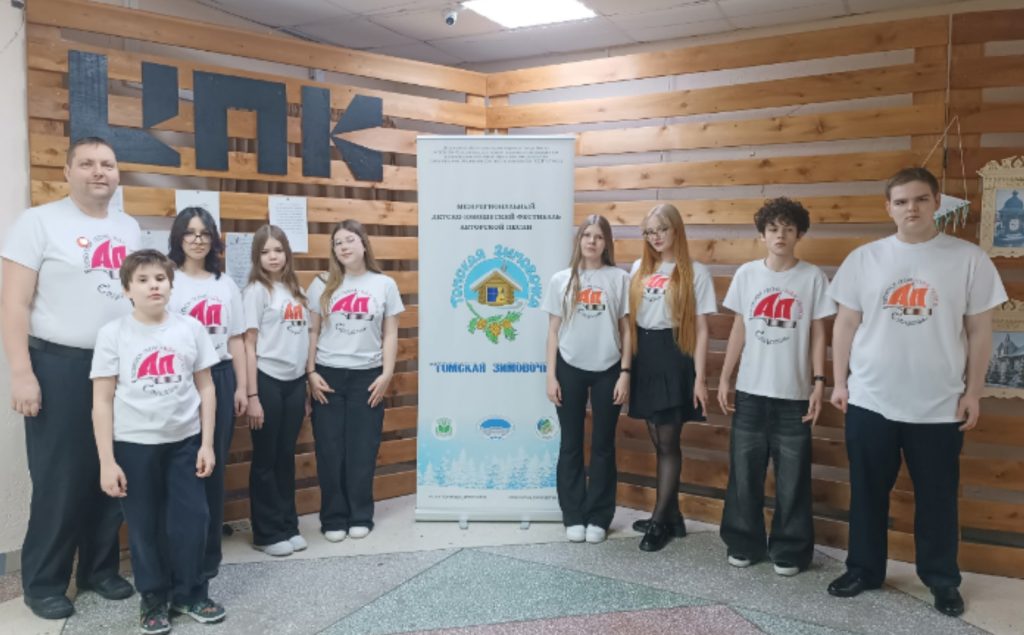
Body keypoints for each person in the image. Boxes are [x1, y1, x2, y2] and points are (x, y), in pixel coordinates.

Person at [826, 168, 1006, 617]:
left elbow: (980, 332)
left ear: (937, 203)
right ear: (888, 207)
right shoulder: (864, 259)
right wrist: (840, 382)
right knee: (867, 493)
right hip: (871, 400)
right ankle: (863, 570)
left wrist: (974, 392)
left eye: (921, 199)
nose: (912, 208)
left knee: (938, 499)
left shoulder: (968, 259)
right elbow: (845, 324)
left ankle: (942, 580)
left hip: (940, 406)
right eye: (902, 201)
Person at [1, 136, 138, 619]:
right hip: (58, 366)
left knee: (111, 469)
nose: (99, 171)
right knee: (59, 477)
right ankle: (44, 582)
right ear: (67, 172)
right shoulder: (38, 222)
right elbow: (13, 303)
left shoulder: (128, 227)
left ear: (117, 174)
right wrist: (22, 373)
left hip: (117, 369)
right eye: (87, 164)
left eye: (107, 164)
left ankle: (99, 570)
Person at [91, 249, 225, 633]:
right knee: (144, 526)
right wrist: (107, 461)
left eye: (160, 279)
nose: (154, 286)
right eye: (144, 280)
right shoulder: (113, 334)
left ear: (170, 284)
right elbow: (102, 400)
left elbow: (207, 388)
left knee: (194, 520)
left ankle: (191, 593)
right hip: (134, 446)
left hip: (185, 442)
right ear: (127, 289)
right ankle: (153, 598)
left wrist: (207, 444)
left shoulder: (190, 329)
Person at [717, 197, 835, 576]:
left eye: (788, 229)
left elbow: (819, 333)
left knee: (793, 479)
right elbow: (739, 328)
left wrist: (819, 382)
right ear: (762, 235)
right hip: (750, 392)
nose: (780, 235)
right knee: (743, 475)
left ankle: (791, 549)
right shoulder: (747, 274)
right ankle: (743, 542)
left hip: (794, 395)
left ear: (799, 234)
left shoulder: (813, 278)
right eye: (773, 229)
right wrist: (725, 376)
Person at [166, 207, 247, 599]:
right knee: (181, 466)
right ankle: (178, 555)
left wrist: (243, 388)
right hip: (178, 380)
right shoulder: (167, 279)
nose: (197, 239)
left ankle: (208, 555)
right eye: (190, 232)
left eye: (204, 233)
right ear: (178, 237)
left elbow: (236, 339)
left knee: (213, 466)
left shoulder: (225, 284)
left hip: (220, 375)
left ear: (214, 239)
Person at [306, 220, 404, 542]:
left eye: (350, 240)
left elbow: (391, 334)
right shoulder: (321, 283)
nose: (344, 247)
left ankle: (361, 515)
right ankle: (333, 517)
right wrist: (311, 373)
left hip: (368, 377)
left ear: (363, 244)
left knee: (363, 450)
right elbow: (312, 331)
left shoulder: (384, 284)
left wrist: (386, 373)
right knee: (329, 451)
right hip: (328, 375)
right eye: (338, 243)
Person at [628, 203, 717, 552]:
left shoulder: (696, 271)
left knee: (668, 442)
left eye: (661, 229)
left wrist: (699, 377)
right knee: (657, 438)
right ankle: (673, 515)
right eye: (649, 231)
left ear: (676, 229)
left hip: (674, 354)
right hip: (645, 355)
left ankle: (658, 521)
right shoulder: (639, 268)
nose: (655, 237)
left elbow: (703, 329)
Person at [543, 215, 631, 544]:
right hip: (569, 367)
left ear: (607, 243)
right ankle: (573, 514)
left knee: (603, 445)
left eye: (599, 236)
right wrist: (551, 376)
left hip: (609, 369)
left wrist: (625, 373)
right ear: (579, 240)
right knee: (571, 443)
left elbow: (626, 330)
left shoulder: (619, 278)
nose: (592, 241)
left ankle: (599, 516)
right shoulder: (561, 280)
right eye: (587, 235)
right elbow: (553, 332)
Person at [242, 225, 309, 557]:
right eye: (266, 251)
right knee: (266, 459)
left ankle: (287, 525)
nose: (273, 256)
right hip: (266, 380)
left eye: (278, 250)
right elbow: (248, 344)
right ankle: (266, 532)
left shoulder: (296, 289)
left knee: (285, 457)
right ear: (257, 256)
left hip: (294, 383)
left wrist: (305, 386)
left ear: (287, 254)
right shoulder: (256, 291)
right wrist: (252, 396)